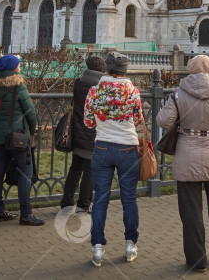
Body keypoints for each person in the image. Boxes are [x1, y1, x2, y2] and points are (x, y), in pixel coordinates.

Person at [156, 54, 209, 274]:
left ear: (191, 69)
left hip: (187, 157)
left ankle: (197, 262)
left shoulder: (179, 93)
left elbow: (163, 121)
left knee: (191, 213)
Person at [84, 52, 142, 267]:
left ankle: (97, 248)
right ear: (125, 70)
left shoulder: (94, 90)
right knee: (129, 199)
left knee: (100, 199)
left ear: (107, 69)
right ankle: (130, 244)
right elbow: (138, 120)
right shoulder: (132, 91)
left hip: (102, 148)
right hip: (127, 148)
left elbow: (88, 123)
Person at [0, 54, 44, 225]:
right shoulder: (19, 86)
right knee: (25, 173)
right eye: (18, 65)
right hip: (18, 137)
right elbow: (30, 113)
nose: (20, 67)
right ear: (13, 68)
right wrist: (31, 131)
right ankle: (25, 214)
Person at [60, 55, 106, 213]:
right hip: (94, 134)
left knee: (75, 168)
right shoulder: (102, 86)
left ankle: (66, 203)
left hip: (78, 132)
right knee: (90, 171)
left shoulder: (79, 83)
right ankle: (83, 205)